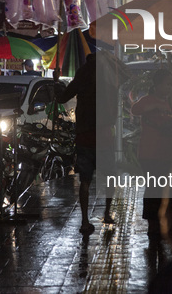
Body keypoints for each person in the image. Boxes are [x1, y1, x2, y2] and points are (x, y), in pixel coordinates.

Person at [56, 53, 115, 235]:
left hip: (85, 135)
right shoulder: (109, 78)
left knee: (85, 181)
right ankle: (106, 213)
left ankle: (84, 220)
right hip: (104, 134)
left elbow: (62, 98)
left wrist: (56, 81)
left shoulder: (82, 75)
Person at [130, 69, 172, 243]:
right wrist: (155, 106)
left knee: (164, 190)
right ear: (157, 85)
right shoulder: (148, 100)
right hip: (150, 153)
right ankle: (153, 226)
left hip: (166, 153)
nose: (169, 87)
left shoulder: (168, 103)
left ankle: (161, 224)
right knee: (153, 189)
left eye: (171, 84)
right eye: (167, 84)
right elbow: (135, 109)